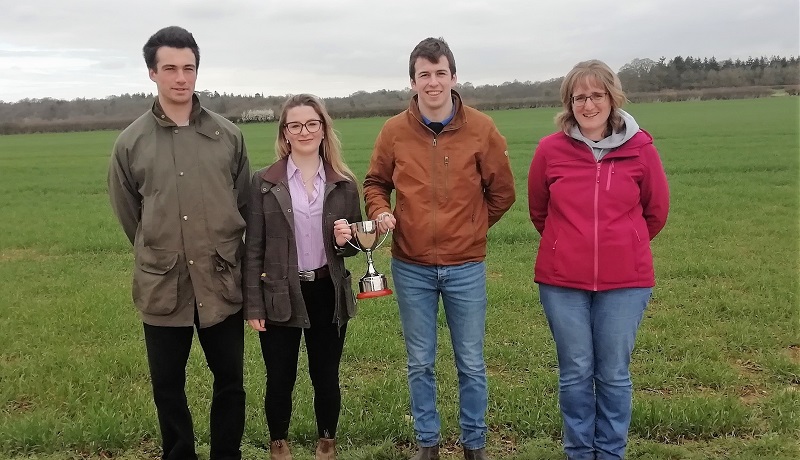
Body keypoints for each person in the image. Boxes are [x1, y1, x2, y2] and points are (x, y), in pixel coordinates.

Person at [363, 37, 516, 460]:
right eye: (424, 75)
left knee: (470, 361)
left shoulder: (482, 129)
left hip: (465, 265)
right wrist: (380, 211)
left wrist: (471, 229)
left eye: (440, 73)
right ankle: (427, 443)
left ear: (454, 76)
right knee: (420, 362)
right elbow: (375, 182)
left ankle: (475, 444)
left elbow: (502, 192)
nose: (433, 82)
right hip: (410, 265)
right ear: (412, 81)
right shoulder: (393, 131)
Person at [108, 26, 249, 460]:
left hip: (221, 281)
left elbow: (242, 201)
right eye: (170, 68)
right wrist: (163, 252)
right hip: (162, 286)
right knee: (167, 386)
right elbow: (130, 213)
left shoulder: (228, 136)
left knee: (230, 381)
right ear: (152, 73)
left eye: (188, 68)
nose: (181, 78)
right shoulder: (130, 143)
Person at [527, 59, 670, 460]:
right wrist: (565, 245)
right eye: (579, 97)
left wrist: (625, 244)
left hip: (626, 283)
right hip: (563, 283)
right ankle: (578, 452)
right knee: (574, 373)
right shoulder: (549, 150)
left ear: (612, 97)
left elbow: (655, 211)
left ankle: (610, 452)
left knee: (613, 374)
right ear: (568, 103)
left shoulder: (642, 149)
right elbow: (540, 211)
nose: (588, 105)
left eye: (596, 95)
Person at [243, 93, 362, 460]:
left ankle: (327, 440)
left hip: (328, 291)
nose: (304, 131)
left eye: (312, 123)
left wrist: (347, 241)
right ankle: (278, 442)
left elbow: (355, 248)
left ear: (324, 130)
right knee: (280, 377)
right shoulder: (263, 183)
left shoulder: (344, 184)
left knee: (325, 375)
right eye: (295, 125)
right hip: (280, 293)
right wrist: (253, 304)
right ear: (285, 133)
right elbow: (253, 247)